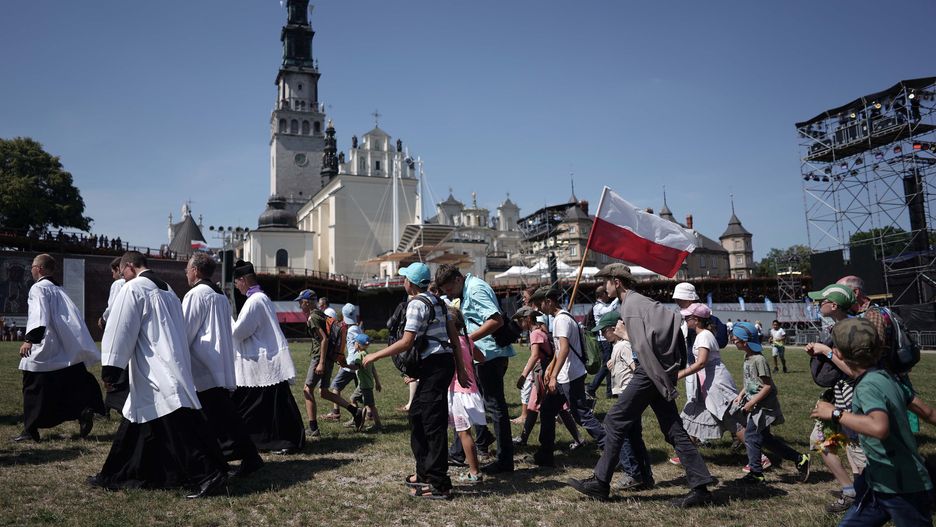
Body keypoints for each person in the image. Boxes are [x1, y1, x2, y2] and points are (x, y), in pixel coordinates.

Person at [567, 263, 715, 507]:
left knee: (614, 420)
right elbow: (670, 324)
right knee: (674, 430)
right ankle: (700, 487)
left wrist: (658, 374)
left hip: (649, 371)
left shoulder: (631, 306)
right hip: (656, 370)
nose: (604, 286)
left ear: (617, 281)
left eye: (606, 281)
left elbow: (643, 346)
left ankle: (600, 482)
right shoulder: (639, 301)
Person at [89, 251, 228, 498]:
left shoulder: (134, 289)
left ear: (129, 267)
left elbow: (120, 327)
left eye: (122, 273)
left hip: (154, 367)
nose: (122, 277)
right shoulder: (169, 290)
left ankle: (207, 474)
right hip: (168, 363)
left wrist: (111, 369)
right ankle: (115, 474)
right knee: (135, 421)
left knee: (176, 424)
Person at [363, 262, 470, 500]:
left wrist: (375, 355)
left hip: (434, 367)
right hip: (441, 364)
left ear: (409, 283)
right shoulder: (439, 303)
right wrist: (460, 369)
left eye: (404, 278)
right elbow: (453, 338)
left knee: (432, 424)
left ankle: (440, 484)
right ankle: (424, 474)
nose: (403, 282)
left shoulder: (416, 304)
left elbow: (406, 341)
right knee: (418, 418)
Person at [812, 318, 933, 526]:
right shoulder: (887, 376)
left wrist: (835, 413)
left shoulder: (868, 386)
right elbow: (928, 412)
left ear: (839, 354)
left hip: (900, 486)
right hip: (878, 479)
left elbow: (879, 427)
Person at [182, 252, 263, 475]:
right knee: (223, 416)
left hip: (202, 364)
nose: (186, 272)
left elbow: (185, 331)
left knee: (213, 418)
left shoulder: (196, 295)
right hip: (219, 363)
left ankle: (220, 462)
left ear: (196, 270)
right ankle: (245, 457)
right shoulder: (220, 295)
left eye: (188, 268)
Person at [16, 254, 104, 442]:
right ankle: (82, 410)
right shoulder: (60, 289)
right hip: (64, 346)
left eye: (32, 266)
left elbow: (39, 315)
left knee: (32, 385)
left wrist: (30, 340)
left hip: (44, 344)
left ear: (39, 268)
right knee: (67, 383)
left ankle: (30, 430)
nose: (31, 269)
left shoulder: (38, 288)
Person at [435, 264, 514, 474]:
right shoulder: (468, 288)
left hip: (490, 355)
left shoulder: (475, 289)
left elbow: (495, 320)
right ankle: (460, 450)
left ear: (458, 279)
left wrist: (466, 340)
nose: (449, 295)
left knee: (495, 406)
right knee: (469, 403)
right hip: (484, 355)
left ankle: (505, 459)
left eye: (449, 290)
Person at [804, 284, 868, 513]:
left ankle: (863, 496)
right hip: (837, 396)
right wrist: (819, 351)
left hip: (854, 399)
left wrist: (826, 352)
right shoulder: (836, 328)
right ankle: (851, 490)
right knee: (821, 441)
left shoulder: (852, 329)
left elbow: (855, 371)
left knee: (856, 450)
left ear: (833, 305)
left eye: (821, 301)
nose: (818, 304)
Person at [230, 260, 306, 454]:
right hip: (265, 360)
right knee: (276, 406)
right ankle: (281, 440)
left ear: (243, 280)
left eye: (237, 282)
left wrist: (227, 321)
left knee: (262, 407)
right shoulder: (262, 298)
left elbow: (240, 332)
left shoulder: (254, 301)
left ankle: (282, 441)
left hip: (260, 361)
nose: (236, 286)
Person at [529, 286, 605, 466]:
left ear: (549, 301)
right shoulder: (561, 318)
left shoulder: (561, 320)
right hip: (566, 374)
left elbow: (563, 349)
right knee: (547, 411)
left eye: (541, 306)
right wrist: (550, 369)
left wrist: (553, 375)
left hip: (569, 376)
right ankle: (545, 455)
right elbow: (559, 349)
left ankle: (611, 446)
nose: (540, 311)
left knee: (582, 415)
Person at [732, 321, 811, 486]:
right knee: (765, 439)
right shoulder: (747, 357)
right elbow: (750, 382)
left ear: (745, 342)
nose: (733, 341)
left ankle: (756, 473)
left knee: (751, 436)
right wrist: (741, 395)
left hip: (763, 406)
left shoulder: (759, 360)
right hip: (755, 403)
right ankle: (800, 458)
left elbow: (767, 386)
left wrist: (751, 402)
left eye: (735, 339)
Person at [596, 310, 653, 491]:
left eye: (604, 331)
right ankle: (645, 476)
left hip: (628, 394)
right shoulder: (619, 346)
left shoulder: (624, 346)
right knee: (634, 435)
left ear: (614, 328)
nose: (603, 335)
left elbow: (635, 368)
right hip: (627, 394)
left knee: (623, 434)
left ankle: (632, 473)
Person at [675, 303, 742, 454]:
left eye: (688, 317)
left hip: (716, 384)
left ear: (696, 320)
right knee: (695, 414)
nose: (685, 319)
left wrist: (680, 374)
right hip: (709, 383)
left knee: (732, 421)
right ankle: (687, 453)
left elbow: (701, 362)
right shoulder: (703, 335)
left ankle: (759, 458)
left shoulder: (704, 336)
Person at [297, 289, 364, 436]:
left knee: (307, 390)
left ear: (306, 302)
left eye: (300, 302)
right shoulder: (321, 314)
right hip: (329, 358)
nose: (300, 306)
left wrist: (320, 362)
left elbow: (324, 339)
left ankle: (313, 428)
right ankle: (355, 411)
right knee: (324, 392)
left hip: (320, 358)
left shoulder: (313, 317)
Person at [512, 309, 582, 450]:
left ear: (528, 319)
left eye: (520, 320)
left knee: (536, 406)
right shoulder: (541, 330)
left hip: (543, 373)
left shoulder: (535, 333)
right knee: (555, 408)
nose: (519, 323)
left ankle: (524, 438)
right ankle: (578, 439)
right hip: (546, 371)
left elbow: (535, 355)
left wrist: (523, 375)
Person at [447, 307, 487, 484]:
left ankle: (474, 472)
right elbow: (482, 357)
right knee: (466, 432)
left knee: (464, 434)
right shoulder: (468, 340)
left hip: (458, 392)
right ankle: (474, 469)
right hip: (473, 390)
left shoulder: (450, 342)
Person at [100, 256, 130, 413]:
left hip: (117, 331)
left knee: (116, 369)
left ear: (119, 269)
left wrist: (102, 319)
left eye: (113, 271)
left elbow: (112, 307)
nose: (112, 275)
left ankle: (114, 404)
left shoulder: (119, 284)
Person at [586, 286, 618, 399]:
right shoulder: (598, 307)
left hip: (605, 339)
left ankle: (610, 392)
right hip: (604, 340)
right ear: (602, 295)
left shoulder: (600, 306)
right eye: (606, 293)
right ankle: (591, 388)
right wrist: (618, 296)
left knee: (610, 365)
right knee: (606, 366)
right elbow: (610, 310)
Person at [331, 303, 361, 425]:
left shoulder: (352, 330)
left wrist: (346, 362)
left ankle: (336, 412)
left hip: (350, 365)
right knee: (360, 392)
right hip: (356, 364)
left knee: (335, 388)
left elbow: (357, 344)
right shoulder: (357, 327)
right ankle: (369, 414)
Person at [349, 333, 381, 433]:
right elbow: (374, 370)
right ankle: (355, 418)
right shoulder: (368, 354)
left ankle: (377, 425)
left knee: (370, 405)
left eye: (354, 342)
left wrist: (344, 365)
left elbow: (356, 367)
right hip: (363, 385)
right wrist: (377, 382)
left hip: (365, 385)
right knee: (353, 399)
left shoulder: (359, 355)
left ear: (357, 344)